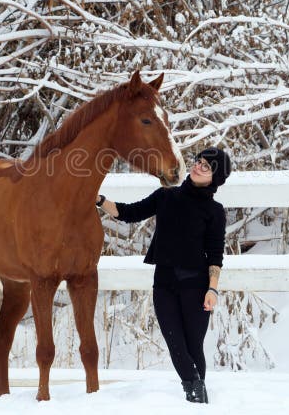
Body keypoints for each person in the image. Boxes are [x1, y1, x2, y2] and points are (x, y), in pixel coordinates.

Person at [95, 147, 232, 404]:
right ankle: (196, 393)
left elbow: (215, 254)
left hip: (196, 285)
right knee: (175, 343)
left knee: (193, 347)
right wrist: (100, 200)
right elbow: (129, 212)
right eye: (199, 161)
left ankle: (196, 400)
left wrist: (212, 289)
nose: (198, 167)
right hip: (164, 282)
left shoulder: (214, 211)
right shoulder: (167, 195)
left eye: (206, 166)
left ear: (216, 178)